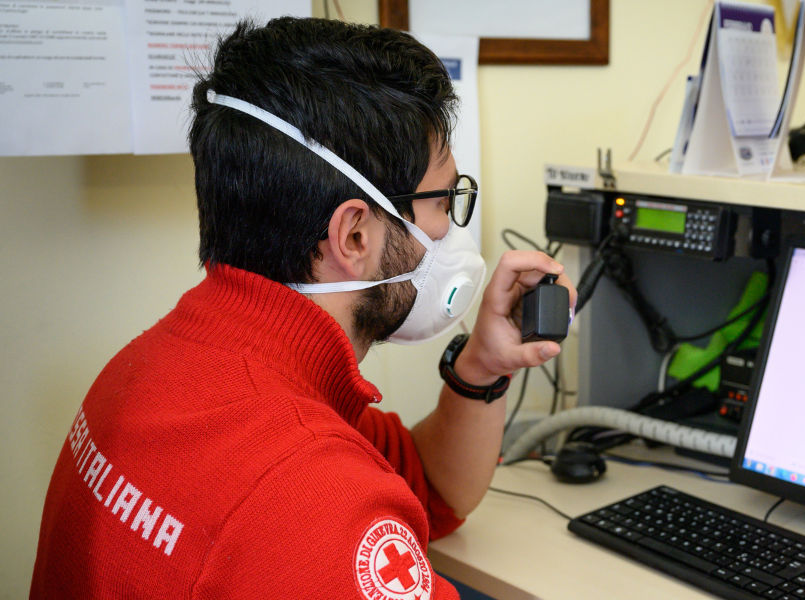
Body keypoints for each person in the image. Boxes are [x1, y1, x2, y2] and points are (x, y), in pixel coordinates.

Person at [30, 17, 574, 599]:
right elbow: (324, 503)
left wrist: (484, 367)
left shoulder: (161, 365)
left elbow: (430, 490)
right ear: (354, 238)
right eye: (442, 202)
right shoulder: (305, 488)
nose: (450, 230)